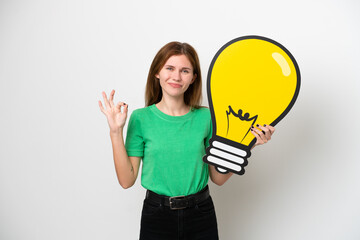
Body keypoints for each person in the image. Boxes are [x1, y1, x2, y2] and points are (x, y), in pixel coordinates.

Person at [98, 41, 275, 240]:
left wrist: (246, 146)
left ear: (193, 78)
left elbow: (218, 178)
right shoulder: (140, 119)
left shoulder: (207, 118)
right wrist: (115, 132)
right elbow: (126, 180)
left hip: (201, 214)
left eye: (185, 71)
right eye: (170, 68)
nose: (176, 76)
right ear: (157, 72)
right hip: (156, 216)